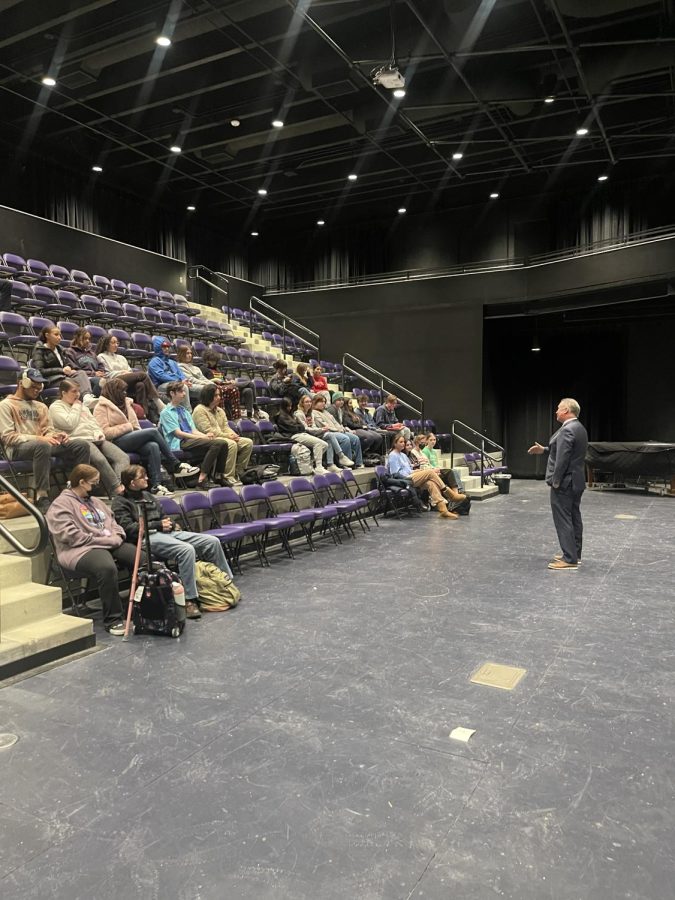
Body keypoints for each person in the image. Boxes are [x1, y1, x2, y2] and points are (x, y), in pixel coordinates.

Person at [113, 465, 236, 620]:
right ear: (132, 483)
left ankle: (226, 584)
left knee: (212, 541)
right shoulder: (121, 502)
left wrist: (169, 523)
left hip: (167, 533)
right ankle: (189, 599)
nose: (147, 479)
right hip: (147, 538)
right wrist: (157, 525)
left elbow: (163, 516)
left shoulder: (148, 496)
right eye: (142, 477)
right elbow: (129, 529)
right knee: (186, 550)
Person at [46, 464, 142, 635]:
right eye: (94, 483)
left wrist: (117, 536)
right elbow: (70, 536)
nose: (97, 486)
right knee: (106, 567)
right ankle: (113, 619)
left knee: (140, 557)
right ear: (82, 482)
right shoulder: (60, 505)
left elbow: (115, 524)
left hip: (106, 543)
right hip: (77, 550)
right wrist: (105, 540)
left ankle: (134, 607)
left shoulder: (96, 502)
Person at [0, 368, 90, 513]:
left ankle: (78, 490)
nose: (37, 390)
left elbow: (48, 430)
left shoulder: (41, 406)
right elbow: (8, 437)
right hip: (17, 448)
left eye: (39, 387)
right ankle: (42, 496)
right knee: (42, 445)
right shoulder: (6, 405)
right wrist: (40, 438)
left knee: (81, 445)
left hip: (43, 445)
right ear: (22, 383)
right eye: (33, 386)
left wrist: (58, 435)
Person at [94, 378, 198, 496]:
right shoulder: (101, 407)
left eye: (125, 391)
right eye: (122, 391)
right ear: (114, 391)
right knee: (153, 432)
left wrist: (135, 433)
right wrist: (127, 427)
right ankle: (175, 464)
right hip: (114, 442)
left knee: (152, 446)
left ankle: (156, 486)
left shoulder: (127, 403)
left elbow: (135, 426)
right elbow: (105, 432)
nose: (125, 394)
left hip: (131, 438)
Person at [528, 397, 588, 570]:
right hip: (576, 480)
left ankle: (569, 559)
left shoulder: (567, 430)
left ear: (566, 411)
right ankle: (575, 553)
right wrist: (544, 450)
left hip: (565, 482)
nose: (556, 411)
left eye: (558, 408)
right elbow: (566, 451)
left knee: (563, 518)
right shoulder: (579, 428)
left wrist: (556, 481)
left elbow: (563, 459)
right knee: (574, 516)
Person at [48, 379, 129, 498]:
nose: (77, 394)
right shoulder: (56, 407)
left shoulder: (83, 407)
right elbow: (69, 424)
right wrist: (76, 407)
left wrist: (99, 432)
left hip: (95, 438)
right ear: (63, 393)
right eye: (73, 391)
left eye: (78, 391)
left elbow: (94, 423)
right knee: (100, 460)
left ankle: (121, 486)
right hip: (79, 440)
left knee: (122, 457)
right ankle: (117, 490)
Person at [159, 381, 230, 489]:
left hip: (190, 440)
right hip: (179, 442)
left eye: (183, 391)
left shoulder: (184, 411)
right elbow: (179, 434)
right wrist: (202, 437)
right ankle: (201, 479)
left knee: (222, 443)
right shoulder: (166, 412)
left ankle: (218, 475)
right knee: (217, 443)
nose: (184, 394)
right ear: (172, 393)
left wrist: (206, 436)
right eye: (180, 391)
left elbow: (193, 430)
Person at [192, 383, 254, 486]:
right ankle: (227, 476)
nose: (219, 398)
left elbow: (225, 427)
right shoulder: (199, 410)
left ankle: (238, 472)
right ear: (208, 396)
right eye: (216, 395)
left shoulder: (220, 410)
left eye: (219, 395)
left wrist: (234, 435)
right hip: (208, 439)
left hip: (222, 436)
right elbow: (208, 430)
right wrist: (228, 437)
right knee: (231, 444)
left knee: (248, 443)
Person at [387, 432, 457, 519]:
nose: (403, 444)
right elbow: (395, 474)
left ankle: (443, 510)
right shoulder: (393, 455)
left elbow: (409, 469)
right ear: (394, 443)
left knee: (431, 483)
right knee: (430, 472)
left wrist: (417, 471)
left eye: (403, 442)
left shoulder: (403, 455)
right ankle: (450, 494)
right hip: (404, 479)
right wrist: (414, 473)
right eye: (401, 442)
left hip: (411, 475)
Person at [96, 333, 163, 421]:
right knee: (142, 374)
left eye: (117, 343)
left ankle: (144, 416)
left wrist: (126, 372)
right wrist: (122, 372)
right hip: (113, 381)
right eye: (113, 343)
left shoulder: (121, 357)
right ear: (106, 344)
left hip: (126, 380)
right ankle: (158, 402)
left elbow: (130, 371)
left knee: (140, 385)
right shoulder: (101, 356)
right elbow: (107, 373)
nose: (116, 345)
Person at [30, 324, 93, 398]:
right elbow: (39, 371)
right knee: (76, 383)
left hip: (64, 376)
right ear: (47, 335)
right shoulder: (39, 350)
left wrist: (69, 367)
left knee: (81, 373)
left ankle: (87, 397)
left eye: (60, 335)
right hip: (50, 379)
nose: (59, 338)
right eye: (56, 335)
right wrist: (61, 370)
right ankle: (84, 399)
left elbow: (67, 363)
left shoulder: (61, 349)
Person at [420, 432, 470, 514]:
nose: (433, 441)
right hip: (431, 471)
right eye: (431, 440)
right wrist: (435, 469)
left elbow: (436, 464)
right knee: (450, 471)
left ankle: (458, 492)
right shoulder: (425, 451)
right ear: (426, 441)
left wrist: (438, 468)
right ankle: (455, 495)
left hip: (437, 469)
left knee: (454, 471)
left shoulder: (434, 451)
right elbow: (427, 465)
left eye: (434, 440)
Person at [275, 396, 328, 473]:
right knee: (319, 443)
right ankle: (319, 466)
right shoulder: (281, 416)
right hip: (292, 436)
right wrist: (298, 426)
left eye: (290, 405)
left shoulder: (291, 415)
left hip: (301, 433)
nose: (289, 408)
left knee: (325, 444)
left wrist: (298, 426)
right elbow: (292, 428)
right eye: (288, 406)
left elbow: (302, 426)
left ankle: (310, 463)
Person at [294, 394, 343, 473]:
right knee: (322, 442)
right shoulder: (299, 414)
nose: (309, 404)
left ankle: (330, 465)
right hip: (303, 434)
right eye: (306, 402)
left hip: (313, 433)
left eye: (310, 402)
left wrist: (321, 430)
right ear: (302, 403)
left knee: (329, 439)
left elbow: (313, 427)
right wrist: (321, 429)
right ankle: (320, 466)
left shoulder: (311, 414)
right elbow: (305, 428)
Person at [311, 394, 363, 467]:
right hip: (328, 432)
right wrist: (338, 430)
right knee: (345, 439)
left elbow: (335, 422)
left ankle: (358, 463)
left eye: (324, 402)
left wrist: (341, 429)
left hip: (337, 431)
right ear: (314, 402)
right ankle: (343, 463)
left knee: (355, 438)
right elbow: (324, 425)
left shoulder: (326, 412)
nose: (323, 403)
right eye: (321, 402)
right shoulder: (314, 412)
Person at [64, 327, 106, 397]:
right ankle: (90, 402)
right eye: (85, 338)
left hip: (96, 376)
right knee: (99, 382)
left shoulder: (92, 353)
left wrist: (100, 372)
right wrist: (94, 373)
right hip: (83, 379)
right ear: (77, 338)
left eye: (89, 339)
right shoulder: (70, 351)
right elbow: (75, 371)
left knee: (114, 383)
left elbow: (101, 366)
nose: (87, 341)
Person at [147, 337, 189, 404]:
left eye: (168, 347)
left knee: (199, 387)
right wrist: (180, 381)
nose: (167, 349)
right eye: (164, 347)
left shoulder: (172, 362)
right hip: (161, 386)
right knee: (183, 387)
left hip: (175, 382)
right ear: (158, 348)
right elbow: (161, 376)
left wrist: (184, 380)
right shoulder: (154, 362)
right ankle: (188, 412)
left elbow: (180, 373)